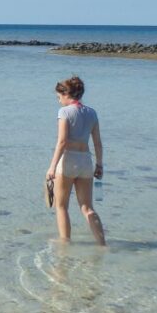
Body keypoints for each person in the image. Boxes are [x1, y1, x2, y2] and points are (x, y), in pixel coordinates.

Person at [45, 76, 106, 245]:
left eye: (59, 97)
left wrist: (52, 167)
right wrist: (99, 164)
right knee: (87, 207)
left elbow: (62, 142)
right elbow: (98, 143)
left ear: (66, 94)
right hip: (86, 161)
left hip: (68, 161)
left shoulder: (64, 112)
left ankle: (65, 243)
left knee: (61, 205)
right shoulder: (92, 112)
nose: (59, 101)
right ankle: (102, 244)